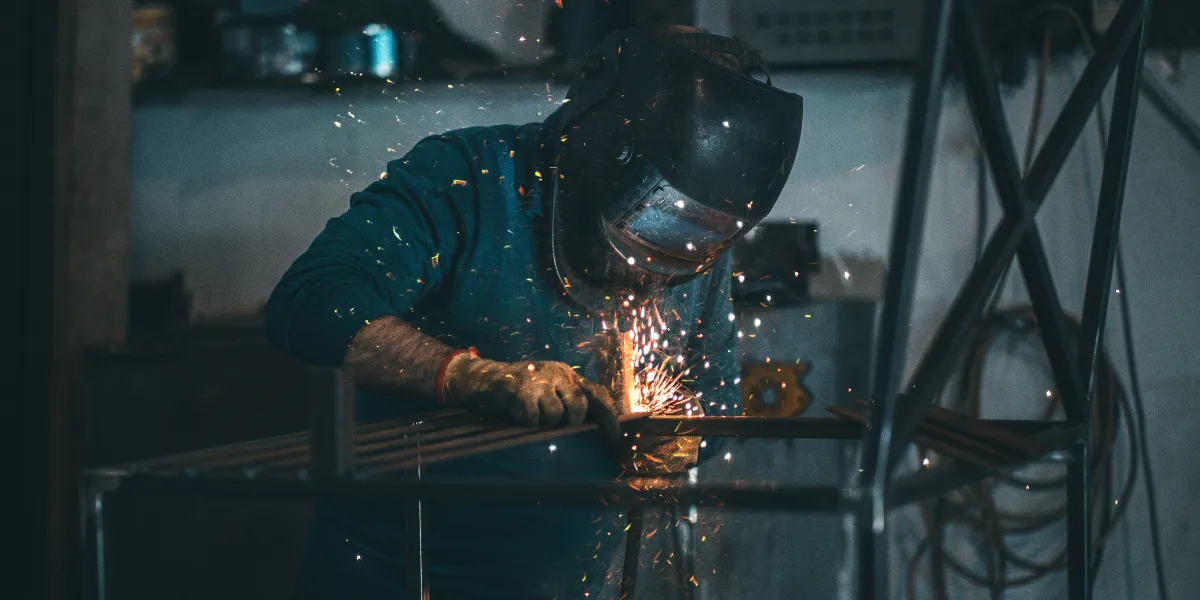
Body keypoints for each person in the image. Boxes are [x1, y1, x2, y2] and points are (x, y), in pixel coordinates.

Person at [265, 23, 803, 600]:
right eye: (643, 231)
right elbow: (311, 299)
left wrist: (684, 435)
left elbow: (716, 404)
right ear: (597, 147)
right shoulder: (466, 179)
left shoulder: (697, 240)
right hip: (393, 581)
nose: (647, 275)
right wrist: (469, 376)